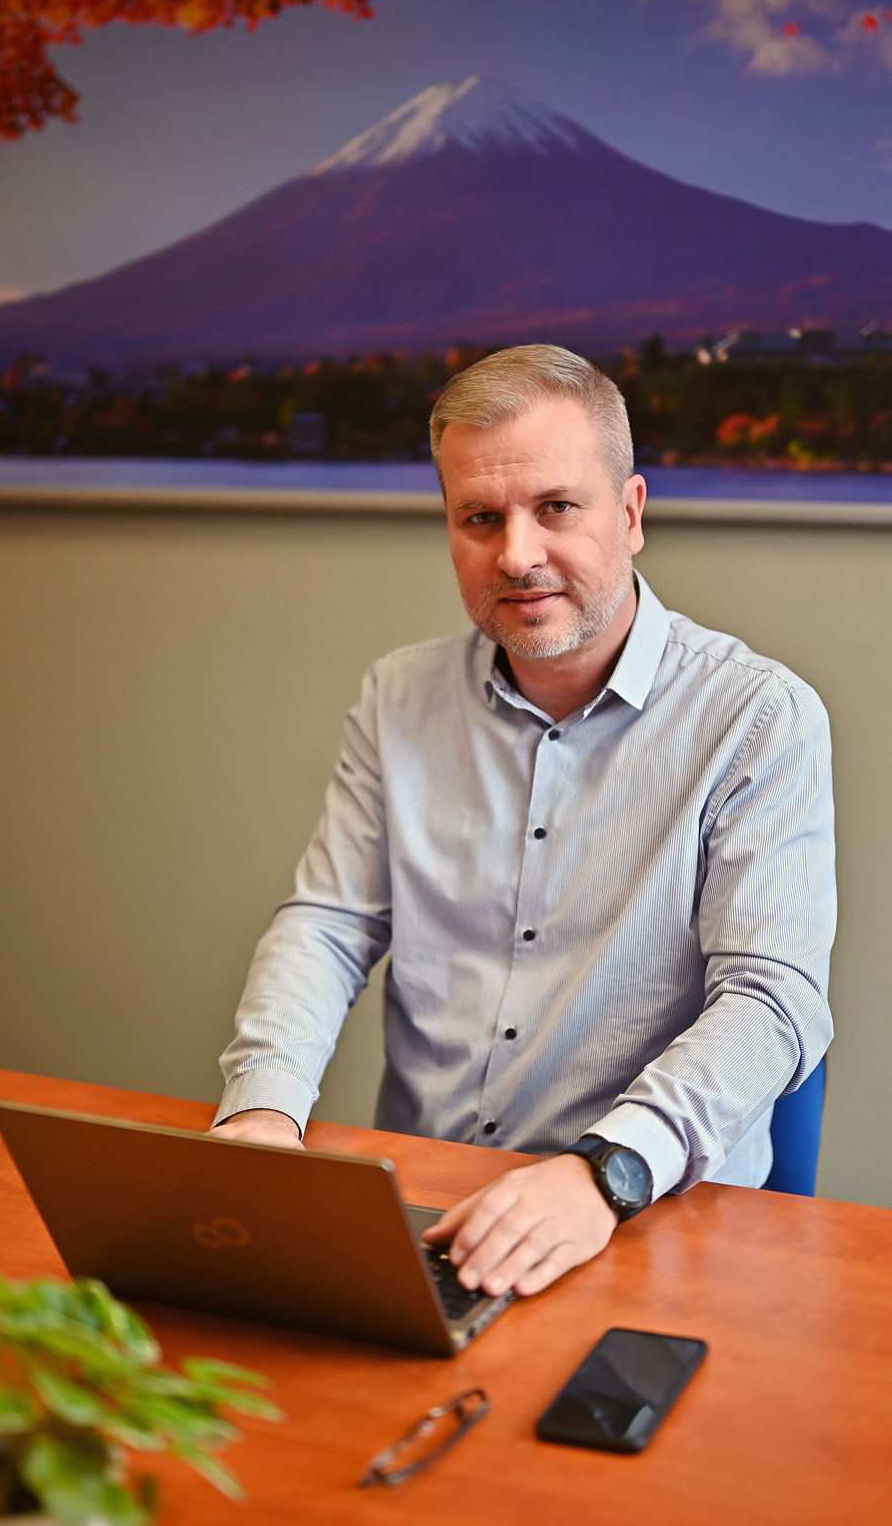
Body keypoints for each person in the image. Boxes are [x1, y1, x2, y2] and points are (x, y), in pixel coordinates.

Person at [213, 344, 835, 1300]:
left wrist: (603, 1172)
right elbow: (328, 926)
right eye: (480, 518)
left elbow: (772, 1001)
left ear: (631, 513)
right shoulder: (398, 697)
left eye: (556, 508)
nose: (516, 554)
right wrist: (260, 1114)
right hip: (426, 1203)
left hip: (647, 1217)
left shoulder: (758, 717)